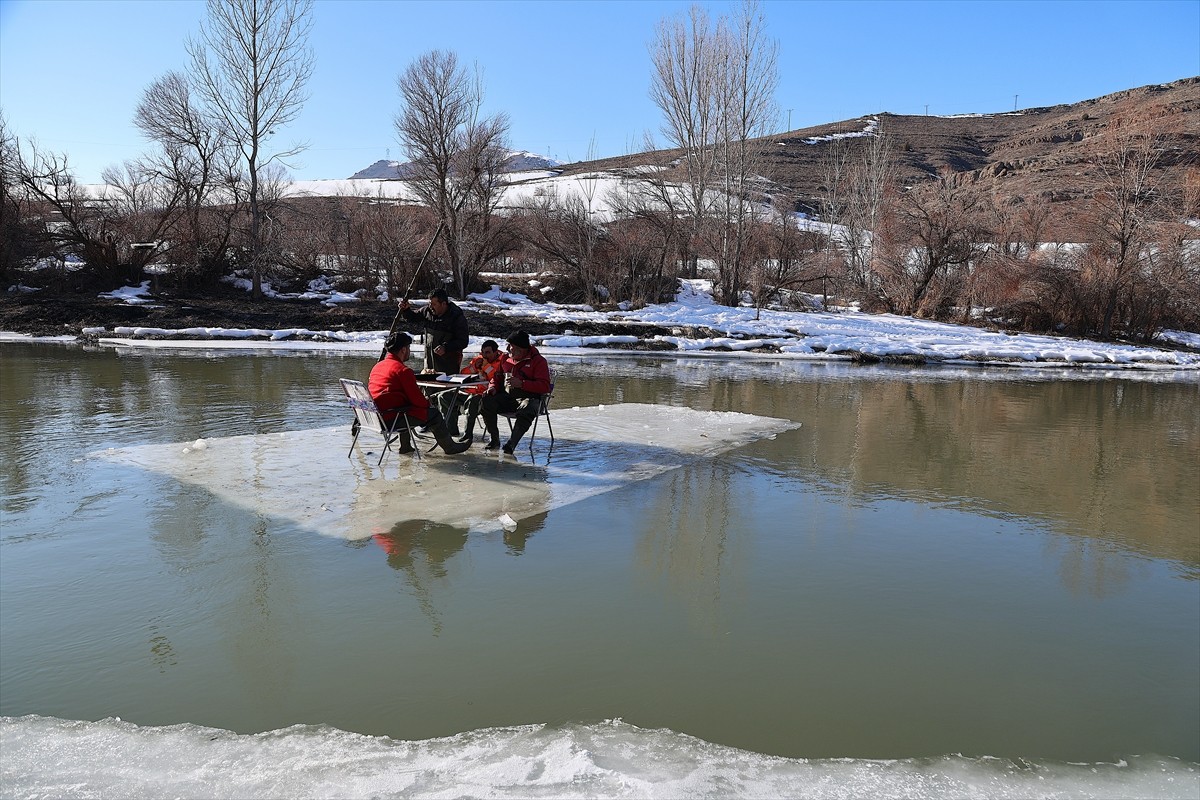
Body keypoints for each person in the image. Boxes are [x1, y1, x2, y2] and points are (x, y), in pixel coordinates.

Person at [368, 331, 471, 455]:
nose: (409, 351)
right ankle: (450, 448)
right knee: (434, 415)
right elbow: (418, 401)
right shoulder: (402, 371)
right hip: (390, 419)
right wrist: (429, 404)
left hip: (373, 417)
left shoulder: (378, 366)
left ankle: (405, 446)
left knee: (403, 407)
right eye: (409, 348)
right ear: (403, 350)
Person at [481, 330, 552, 454]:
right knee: (486, 400)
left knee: (527, 408)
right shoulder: (505, 358)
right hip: (509, 398)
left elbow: (545, 387)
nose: (508, 349)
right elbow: (497, 377)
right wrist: (492, 387)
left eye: (511, 347)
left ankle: (511, 444)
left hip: (530, 399)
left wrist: (522, 384)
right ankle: (494, 439)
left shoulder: (539, 361)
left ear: (521, 349)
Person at [397, 288, 470, 375]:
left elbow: (463, 341)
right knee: (428, 385)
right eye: (430, 303)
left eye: (434, 304)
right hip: (429, 363)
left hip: (448, 366)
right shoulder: (427, 311)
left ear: (443, 304)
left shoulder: (456, 317)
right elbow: (413, 317)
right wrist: (406, 310)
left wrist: (446, 348)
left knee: (445, 387)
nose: (431, 306)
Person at [448, 339, 503, 438]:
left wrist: (485, 367)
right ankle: (451, 431)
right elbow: (463, 374)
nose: (485, 355)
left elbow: (495, 379)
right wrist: (474, 367)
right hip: (469, 391)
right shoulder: (478, 359)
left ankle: (467, 435)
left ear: (495, 352)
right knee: (444, 396)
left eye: (488, 353)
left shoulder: (502, 362)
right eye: (483, 352)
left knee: (472, 401)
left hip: (485, 396)